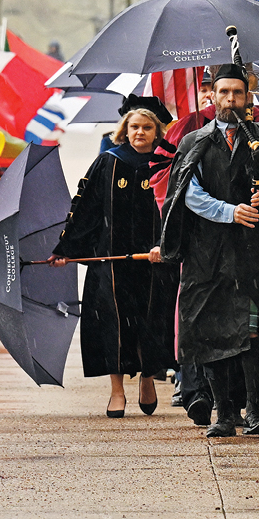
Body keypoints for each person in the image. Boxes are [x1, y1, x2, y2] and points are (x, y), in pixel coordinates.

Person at [159, 64, 259, 437]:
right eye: (223, 92)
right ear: (211, 95)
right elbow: (188, 194)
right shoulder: (193, 141)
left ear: (248, 98)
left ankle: (253, 410)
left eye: (237, 93)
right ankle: (223, 414)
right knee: (211, 332)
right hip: (206, 253)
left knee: (251, 333)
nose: (230, 99)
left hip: (252, 250)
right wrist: (230, 211)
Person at [49, 96, 177, 418]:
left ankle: (147, 379)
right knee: (112, 323)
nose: (140, 133)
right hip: (111, 260)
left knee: (151, 320)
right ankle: (117, 390)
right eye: (134, 127)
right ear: (124, 129)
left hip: (155, 259)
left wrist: (172, 246)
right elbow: (86, 208)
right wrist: (67, 249)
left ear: (158, 131)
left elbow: (179, 210)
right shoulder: (108, 162)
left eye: (147, 127)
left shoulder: (168, 163)